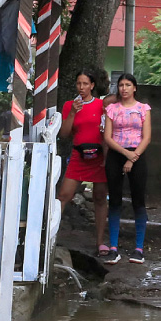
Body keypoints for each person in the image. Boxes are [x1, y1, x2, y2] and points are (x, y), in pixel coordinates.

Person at [58, 71, 109, 256]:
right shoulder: (69, 105)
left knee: (100, 197)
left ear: (92, 86)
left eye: (85, 84)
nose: (81, 87)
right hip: (78, 156)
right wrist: (72, 112)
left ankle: (100, 242)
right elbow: (64, 134)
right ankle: (50, 238)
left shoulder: (101, 105)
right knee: (63, 195)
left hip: (99, 156)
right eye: (79, 83)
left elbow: (108, 128)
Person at [102, 74, 151, 264]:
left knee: (138, 200)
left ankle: (139, 249)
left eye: (128, 85)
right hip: (116, 154)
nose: (124, 88)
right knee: (114, 200)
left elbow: (146, 137)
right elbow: (107, 137)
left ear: (134, 88)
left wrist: (133, 156)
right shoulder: (112, 109)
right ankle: (113, 248)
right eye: (121, 85)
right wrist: (125, 154)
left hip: (137, 154)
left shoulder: (143, 109)